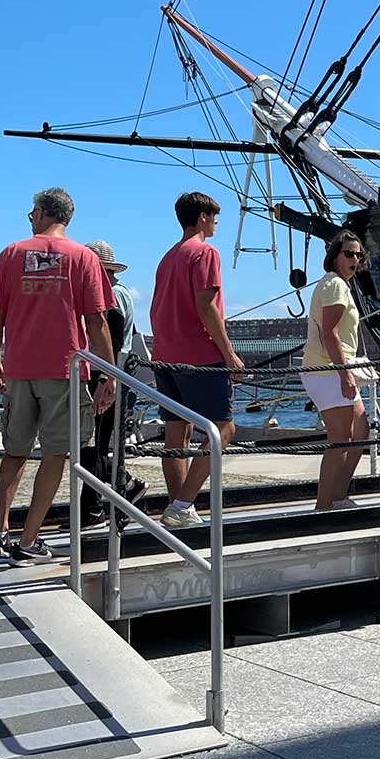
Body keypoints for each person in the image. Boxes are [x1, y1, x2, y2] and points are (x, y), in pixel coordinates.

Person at [0, 190, 115, 564]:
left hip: (19, 367)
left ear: (40, 213)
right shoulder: (84, 258)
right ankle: (29, 540)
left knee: (15, 451)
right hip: (64, 369)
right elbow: (97, 320)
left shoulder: (11, 253)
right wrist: (109, 373)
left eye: (31, 214)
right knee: (55, 453)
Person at [150, 191, 243, 529]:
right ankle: (182, 505)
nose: (216, 222)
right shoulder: (205, 252)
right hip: (199, 356)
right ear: (202, 217)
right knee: (223, 429)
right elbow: (206, 306)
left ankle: (178, 509)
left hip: (165, 356)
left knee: (176, 435)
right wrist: (229, 354)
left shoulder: (168, 257)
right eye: (214, 216)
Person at [302, 230, 378, 511]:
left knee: (360, 431)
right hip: (328, 371)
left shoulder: (339, 285)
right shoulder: (334, 284)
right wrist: (345, 375)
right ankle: (323, 507)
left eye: (358, 254)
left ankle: (338, 496)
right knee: (340, 438)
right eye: (348, 254)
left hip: (333, 369)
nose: (355, 259)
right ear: (335, 257)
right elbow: (329, 334)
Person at [77, 239, 148, 522]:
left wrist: (107, 377)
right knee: (96, 442)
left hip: (104, 373)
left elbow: (114, 336)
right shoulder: (122, 292)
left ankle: (101, 500)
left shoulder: (110, 295)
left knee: (92, 443)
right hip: (114, 371)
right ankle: (100, 499)